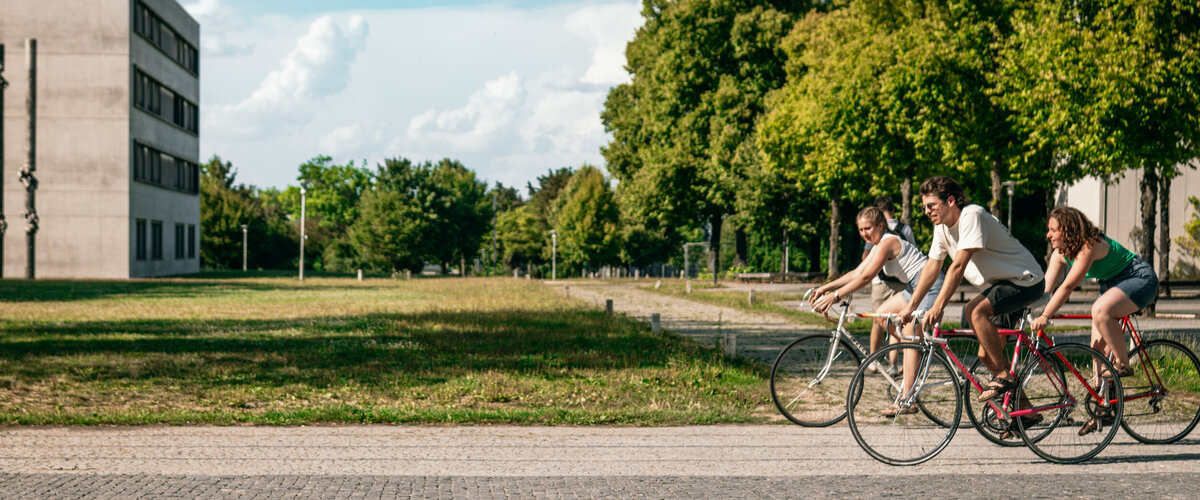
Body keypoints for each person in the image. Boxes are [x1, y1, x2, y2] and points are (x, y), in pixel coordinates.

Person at [899, 176, 1045, 405]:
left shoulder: (972, 215)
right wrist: (911, 306)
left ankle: (1004, 376)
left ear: (950, 201)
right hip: (1001, 286)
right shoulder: (941, 228)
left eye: (931, 205)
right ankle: (1025, 410)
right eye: (923, 207)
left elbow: (958, 266)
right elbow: (932, 267)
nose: (926, 211)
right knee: (986, 354)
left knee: (974, 310)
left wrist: (938, 307)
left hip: (1025, 280)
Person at [811, 206, 945, 416]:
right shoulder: (877, 246)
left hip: (930, 284)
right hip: (913, 287)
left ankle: (907, 399)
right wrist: (825, 288)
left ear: (881, 226)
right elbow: (858, 271)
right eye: (860, 229)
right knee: (882, 317)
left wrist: (835, 296)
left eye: (868, 228)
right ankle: (916, 350)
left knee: (909, 333)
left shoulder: (888, 242)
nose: (864, 233)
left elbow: (866, 277)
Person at [1030, 206, 1159, 376]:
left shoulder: (1088, 247)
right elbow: (1045, 290)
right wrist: (1024, 307)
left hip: (1139, 278)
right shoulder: (1059, 254)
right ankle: (1103, 392)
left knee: (1100, 310)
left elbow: (1068, 287)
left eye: (1053, 230)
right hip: (1110, 285)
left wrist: (1046, 315)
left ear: (1068, 231)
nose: (1048, 235)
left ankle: (1123, 364)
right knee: (1097, 349)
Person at [862, 196, 918, 374]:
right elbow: (912, 249)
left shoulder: (877, 233)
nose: (864, 232)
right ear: (893, 210)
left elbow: (865, 261)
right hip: (902, 282)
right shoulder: (904, 229)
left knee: (878, 319)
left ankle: (873, 359)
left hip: (881, 281)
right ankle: (893, 364)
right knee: (896, 320)